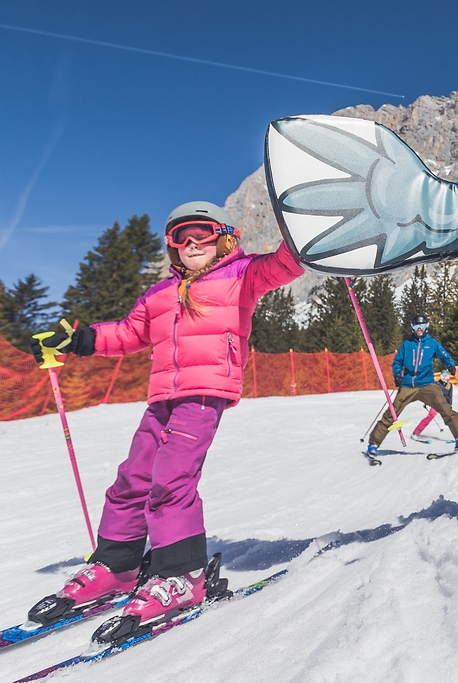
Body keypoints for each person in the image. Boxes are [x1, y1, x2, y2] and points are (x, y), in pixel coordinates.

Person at [29, 201, 303, 626]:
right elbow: (127, 333)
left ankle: (183, 574)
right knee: (132, 477)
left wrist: (304, 229)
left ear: (223, 236)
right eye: (181, 236)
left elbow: (284, 265)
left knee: (171, 478)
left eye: (203, 233)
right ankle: (117, 565)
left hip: (205, 393)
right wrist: (80, 340)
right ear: (171, 246)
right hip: (162, 398)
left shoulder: (242, 275)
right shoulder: (158, 294)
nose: (193, 243)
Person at [367, 315, 458, 454]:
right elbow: (397, 361)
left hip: (427, 384)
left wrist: (450, 365)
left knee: (445, 408)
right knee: (391, 414)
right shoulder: (407, 344)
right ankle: (373, 444)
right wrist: (397, 374)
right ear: (412, 328)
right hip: (408, 385)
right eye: (416, 326)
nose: (419, 329)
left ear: (427, 327)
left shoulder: (432, 343)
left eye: (422, 326)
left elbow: (444, 356)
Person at [412, 369, 453, 439]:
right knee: (429, 418)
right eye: (442, 376)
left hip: (445, 405)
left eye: (446, 376)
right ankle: (416, 433)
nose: (444, 378)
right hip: (436, 404)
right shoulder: (437, 384)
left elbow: (449, 396)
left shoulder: (450, 385)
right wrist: (426, 402)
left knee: (452, 419)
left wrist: (450, 406)